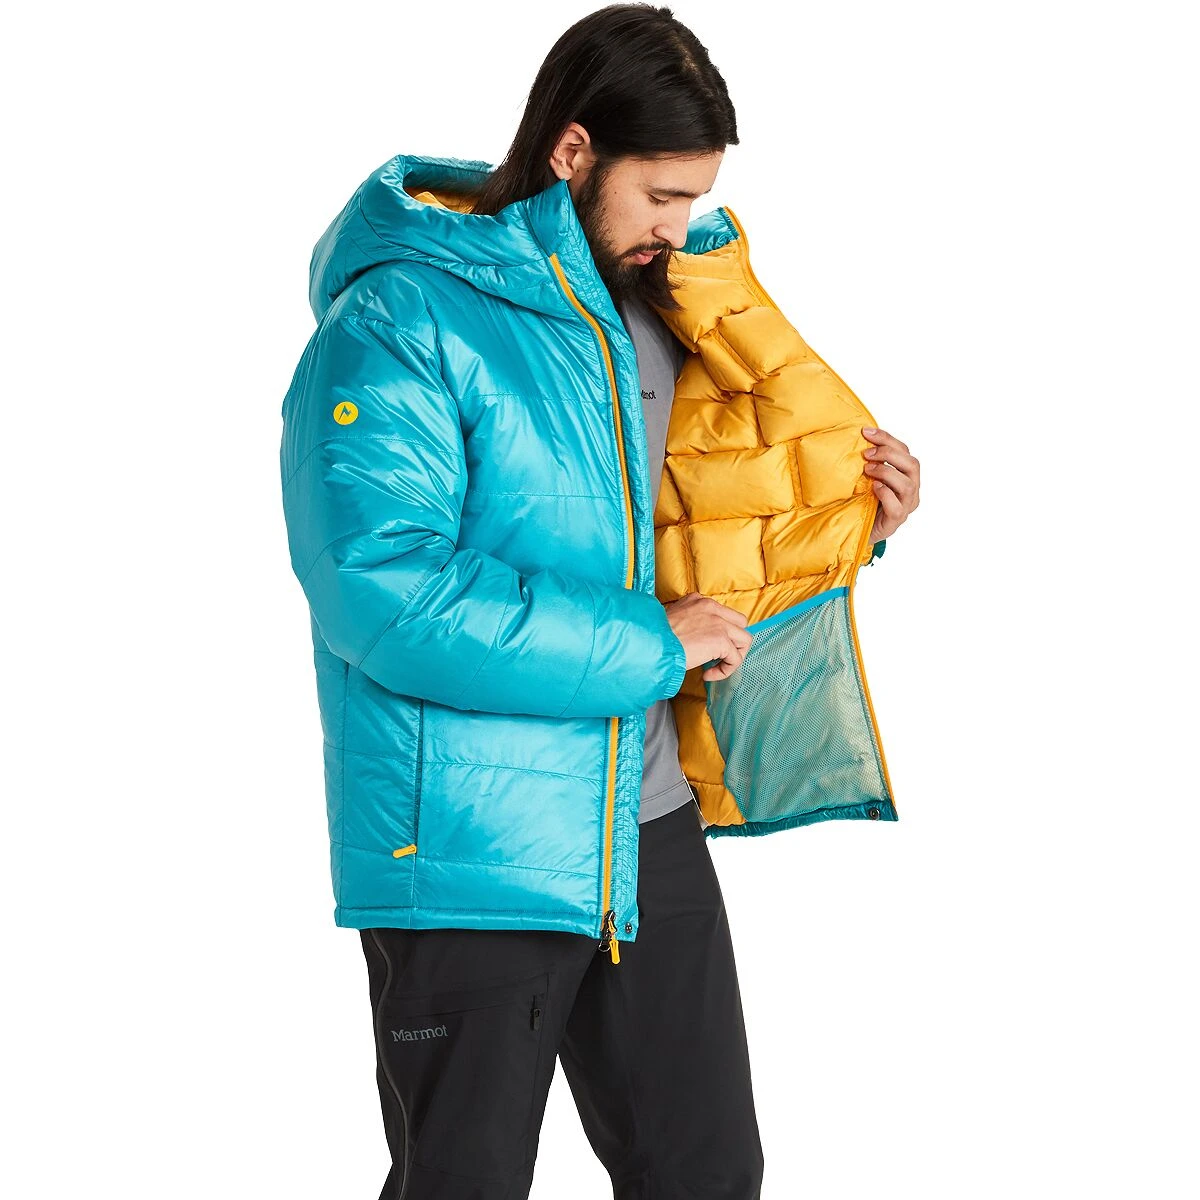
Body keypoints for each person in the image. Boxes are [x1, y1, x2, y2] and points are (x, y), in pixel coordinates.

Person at [278, 5, 919, 1197]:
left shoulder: (655, 307)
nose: (678, 227)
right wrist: (647, 643)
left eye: (697, 199)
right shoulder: (403, 316)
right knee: (464, 1183)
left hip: (643, 822)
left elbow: (681, 532)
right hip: (473, 843)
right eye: (661, 195)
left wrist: (848, 522)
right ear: (573, 152)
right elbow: (384, 590)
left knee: (707, 1173)